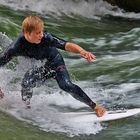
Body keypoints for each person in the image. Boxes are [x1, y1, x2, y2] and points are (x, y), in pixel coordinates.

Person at [0, 15, 106, 117]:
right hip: (43, 68)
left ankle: (95, 107)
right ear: (27, 33)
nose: (41, 35)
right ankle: (26, 108)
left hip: (56, 63)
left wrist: (82, 51)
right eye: (37, 33)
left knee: (66, 85)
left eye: (41, 31)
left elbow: (65, 45)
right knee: (27, 82)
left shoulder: (46, 37)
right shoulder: (15, 47)